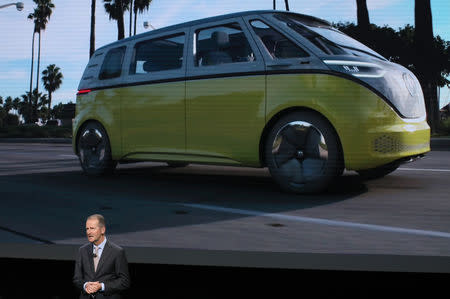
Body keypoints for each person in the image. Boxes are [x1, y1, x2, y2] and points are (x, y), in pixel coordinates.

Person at [73, 214, 130, 299]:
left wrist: (101, 286)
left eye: (92, 228)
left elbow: (124, 281)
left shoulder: (117, 252)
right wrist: (85, 285)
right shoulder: (82, 250)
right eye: (87, 229)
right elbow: (77, 279)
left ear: (102, 230)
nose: (88, 232)